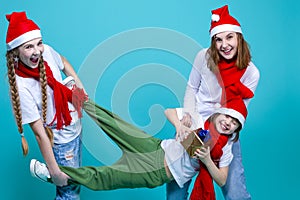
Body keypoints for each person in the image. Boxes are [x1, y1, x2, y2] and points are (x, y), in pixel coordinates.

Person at [29, 94, 248, 196]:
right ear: (221, 113)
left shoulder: (226, 148)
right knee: (117, 124)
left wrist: (207, 159)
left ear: (236, 129)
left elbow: (221, 179)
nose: (229, 123)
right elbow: (169, 111)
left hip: (158, 171)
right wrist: (180, 125)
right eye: (229, 117)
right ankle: (74, 96)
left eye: (235, 124)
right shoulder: (200, 118)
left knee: (106, 177)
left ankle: (50, 173)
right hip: (156, 146)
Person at [166, 5, 260, 200]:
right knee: (176, 189)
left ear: (239, 38)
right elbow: (191, 88)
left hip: (225, 131)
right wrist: (189, 119)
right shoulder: (204, 56)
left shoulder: (252, 73)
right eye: (218, 39)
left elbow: (238, 113)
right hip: (194, 124)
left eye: (229, 37)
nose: (224, 44)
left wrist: (217, 141)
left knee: (235, 192)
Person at [5, 11, 87, 200]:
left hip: (75, 127)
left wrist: (80, 88)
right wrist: (55, 171)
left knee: (74, 189)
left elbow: (63, 62)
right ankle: (50, 172)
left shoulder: (47, 51)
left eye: (38, 44)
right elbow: (39, 133)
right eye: (28, 47)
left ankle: (51, 173)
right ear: (15, 51)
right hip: (61, 141)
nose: (36, 51)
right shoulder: (20, 85)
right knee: (69, 194)